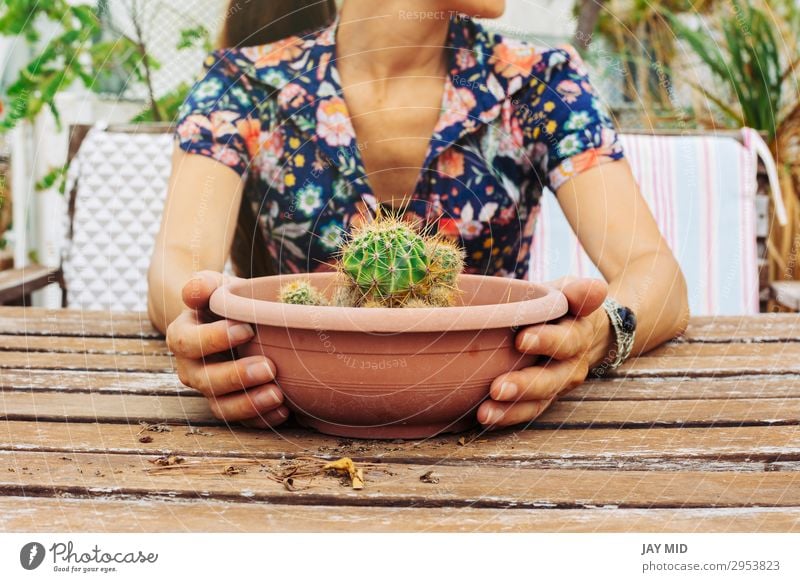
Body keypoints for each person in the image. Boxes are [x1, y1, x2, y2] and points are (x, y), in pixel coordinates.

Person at [148, 0, 689, 430]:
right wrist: (205, 333)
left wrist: (597, 336)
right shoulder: (244, 86)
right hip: (289, 424)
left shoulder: (538, 83)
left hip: (490, 424)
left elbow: (655, 274)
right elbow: (180, 261)